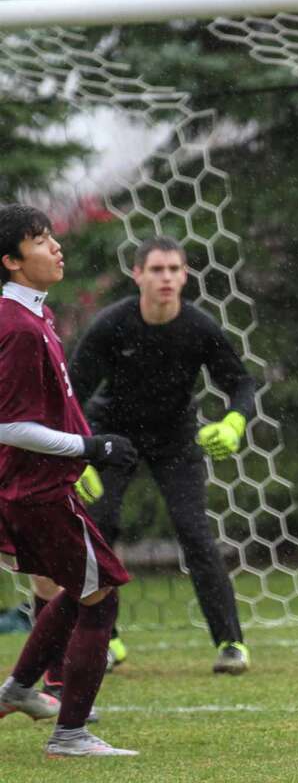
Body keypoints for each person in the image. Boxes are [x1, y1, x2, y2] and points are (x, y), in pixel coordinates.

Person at [68, 235, 255, 675]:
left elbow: (242, 384)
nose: (166, 277)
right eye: (156, 269)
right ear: (137, 275)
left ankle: (231, 643)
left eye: (174, 269)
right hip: (114, 434)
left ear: (185, 275)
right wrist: (76, 456)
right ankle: (105, 640)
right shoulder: (112, 324)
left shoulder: (199, 327)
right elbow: (70, 391)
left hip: (175, 436)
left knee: (194, 532)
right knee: (101, 528)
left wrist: (233, 423)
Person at [0, 203, 139, 756]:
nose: (56, 246)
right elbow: (8, 425)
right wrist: (89, 446)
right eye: (39, 240)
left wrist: (80, 453)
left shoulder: (33, 315)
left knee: (82, 589)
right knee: (100, 599)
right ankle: (71, 734)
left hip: (42, 485)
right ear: (10, 260)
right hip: (35, 491)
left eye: (52, 236)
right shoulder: (16, 327)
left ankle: (16, 689)